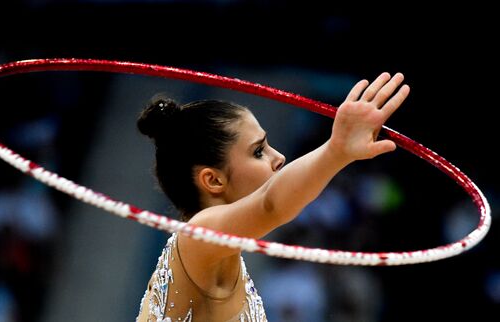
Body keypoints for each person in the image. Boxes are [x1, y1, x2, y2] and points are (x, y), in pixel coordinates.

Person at [135, 72, 410, 322]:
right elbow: (270, 204)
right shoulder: (198, 236)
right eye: (258, 151)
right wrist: (336, 151)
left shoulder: (223, 258)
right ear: (213, 180)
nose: (279, 157)